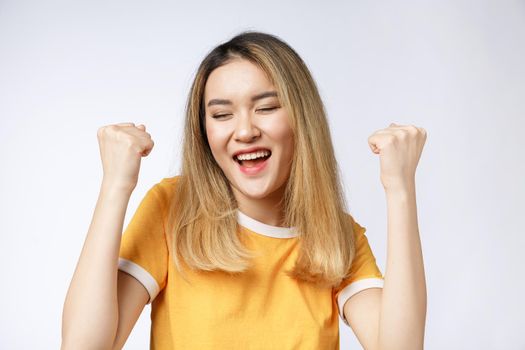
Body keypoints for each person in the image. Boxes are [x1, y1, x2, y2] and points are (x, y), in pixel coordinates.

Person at [61, 31, 427, 350]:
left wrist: (400, 189)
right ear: (205, 132)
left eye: (266, 107)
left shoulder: (338, 236)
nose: (245, 130)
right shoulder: (173, 208)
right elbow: (84, 346)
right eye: (222, 115)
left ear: (303, 118)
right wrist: (116, 186)